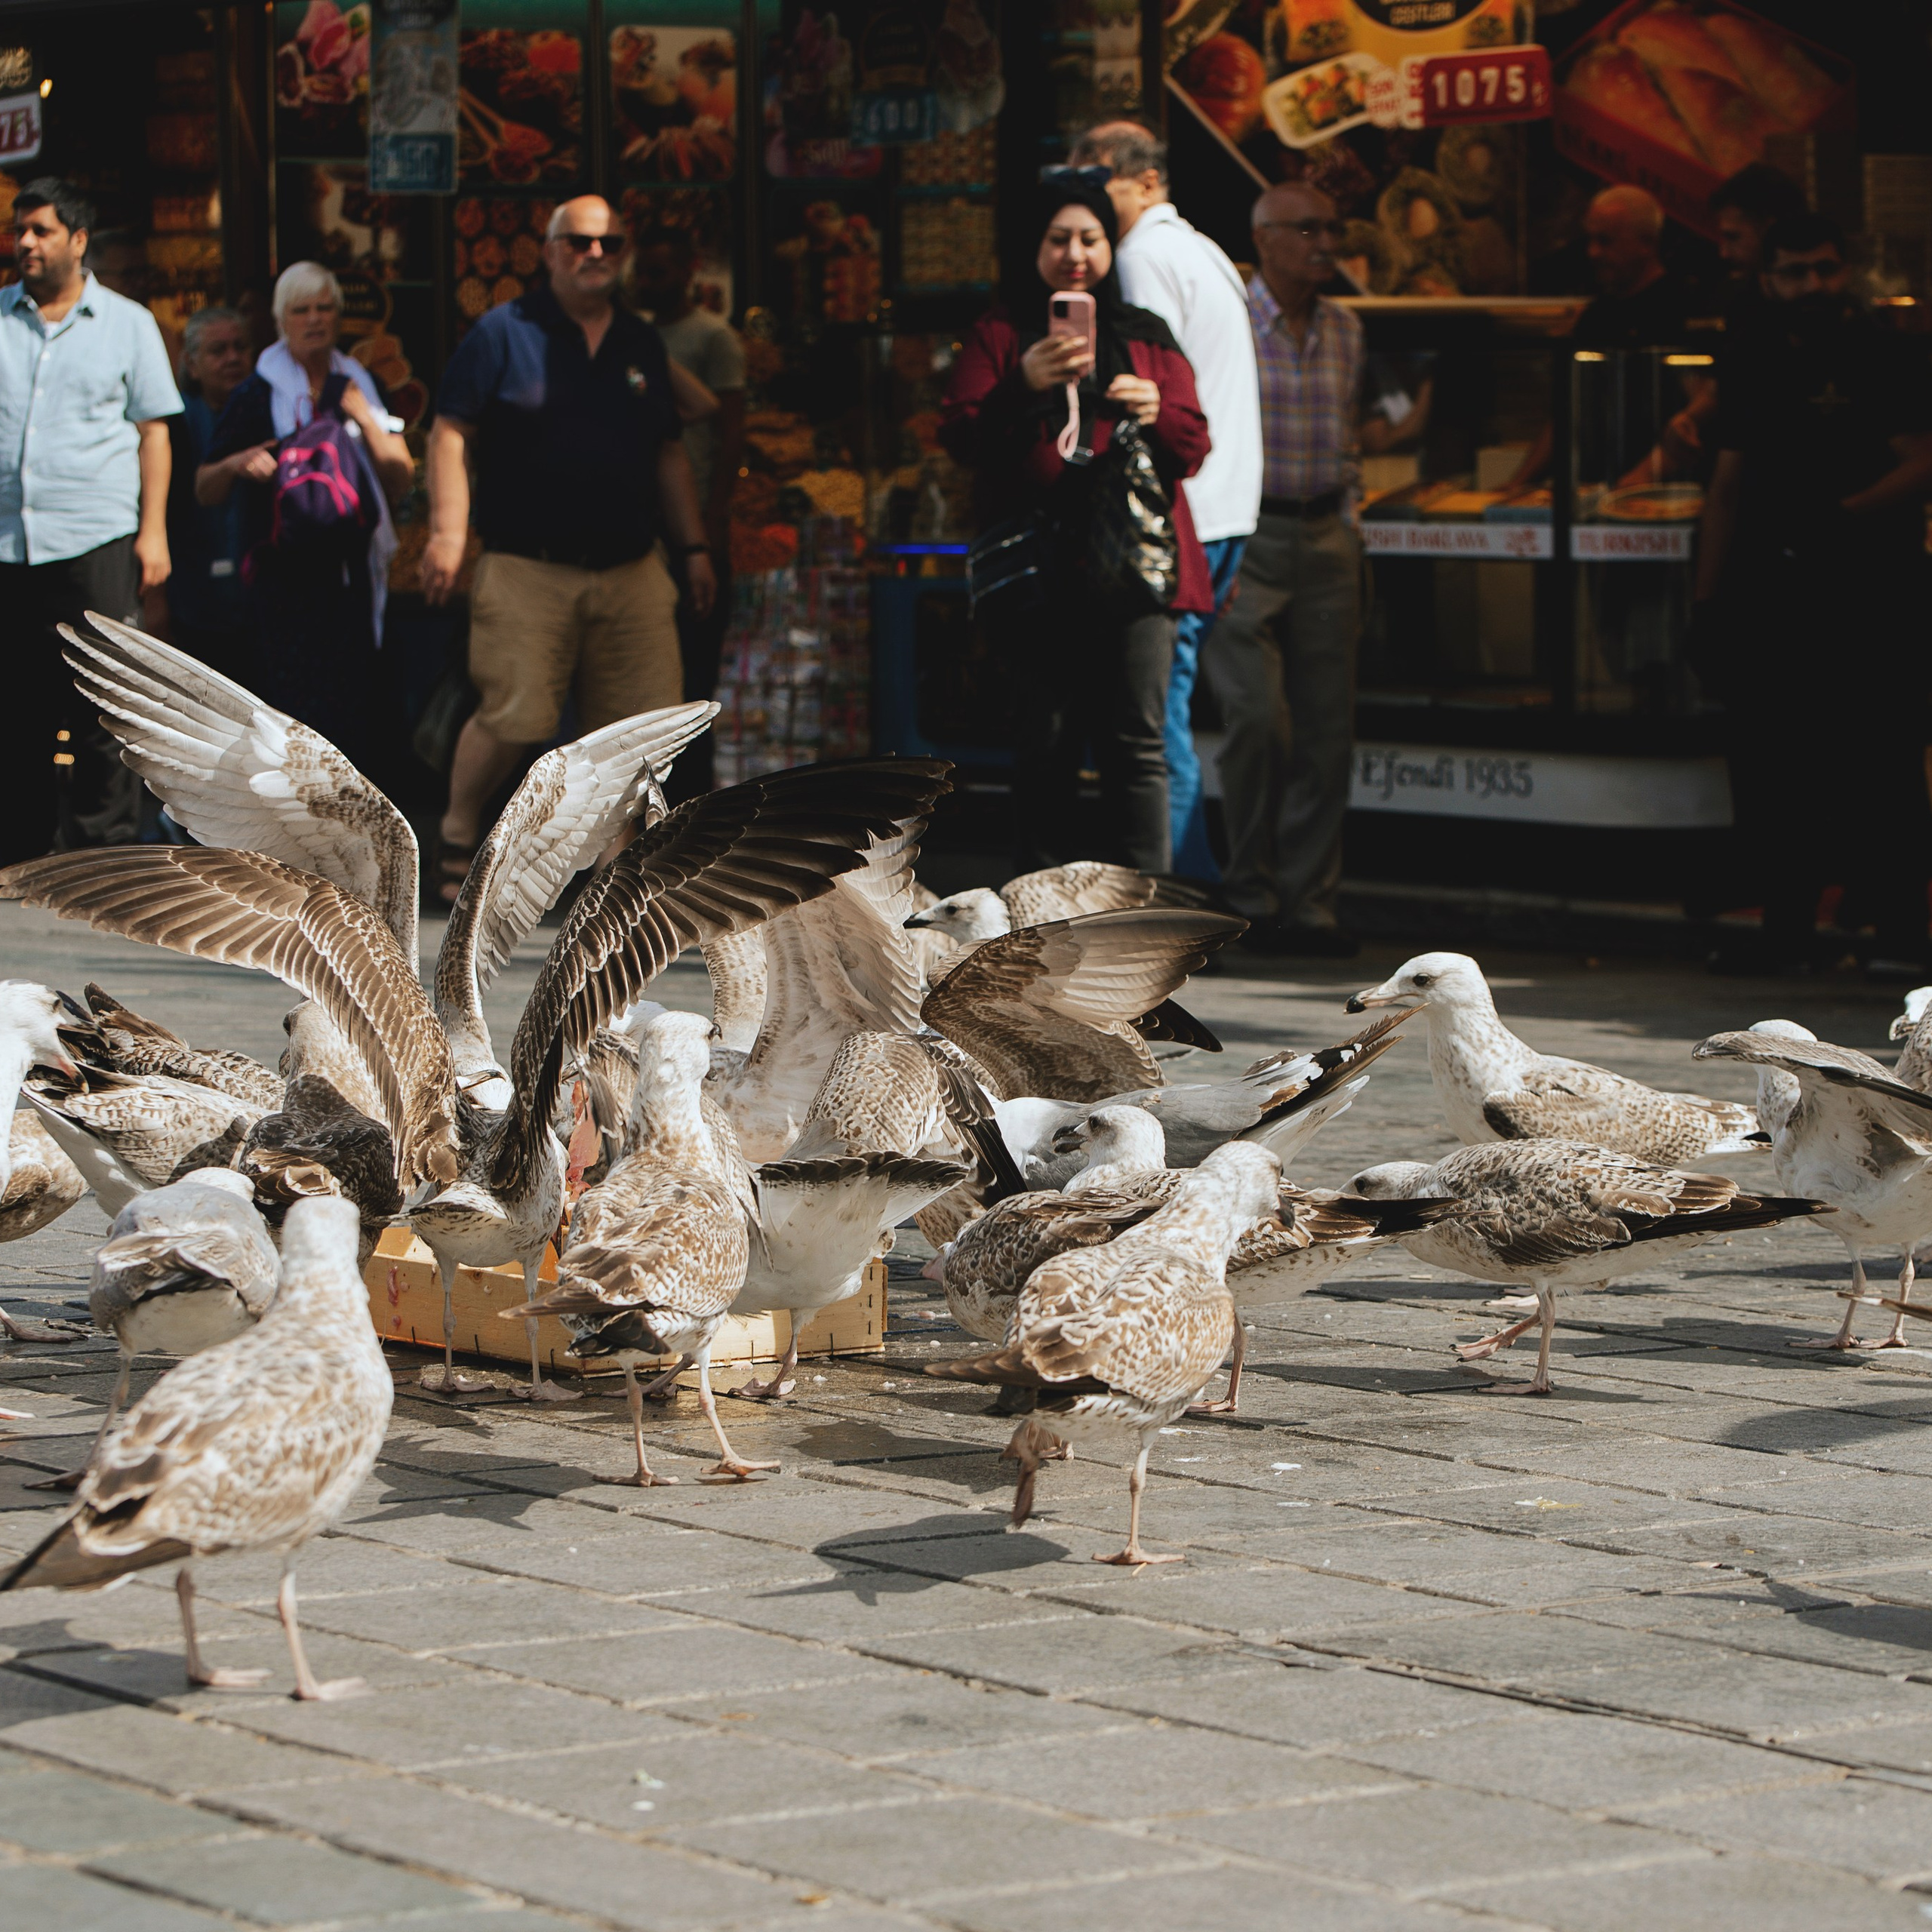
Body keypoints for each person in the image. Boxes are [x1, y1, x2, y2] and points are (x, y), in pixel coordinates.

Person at [420, 195, 714, 900]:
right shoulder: (502, 331)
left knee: (642, 730)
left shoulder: (640, 339)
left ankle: (619, 869)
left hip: (632, 563)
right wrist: (448, 533)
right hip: (528, 563)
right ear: (549, 251)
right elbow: (449, 429)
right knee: (514, 714)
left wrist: (695, 546)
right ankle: (459, 831)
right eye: (581, 243)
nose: (596, 255)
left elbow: (673, 444)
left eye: (611, 244)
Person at [940, 169, 1212, 879]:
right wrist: (1020, 384)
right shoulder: (1000, 332)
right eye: (1058, 238)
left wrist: (1158, 409)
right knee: (1045, 743)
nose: (1075, 254)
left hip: (1134, 565)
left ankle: (1145, 910)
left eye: (1090, 238)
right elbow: (960, 438)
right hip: (1038, 570)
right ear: (1034, 246)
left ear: (1108, 247)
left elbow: (1193, 449)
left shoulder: (1145, 334)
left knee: (1137, 744)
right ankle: (1041, 906)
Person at [1695, 211, 1932, 975]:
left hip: (1873, 592)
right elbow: (1725, 488)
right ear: (1768, 281)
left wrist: (1840, 518)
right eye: (1796, 273)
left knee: (1883, 760)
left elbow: (1919, 462)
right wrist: (1707, 601)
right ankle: (1786, 933)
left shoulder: (1882, 354)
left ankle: (1897, 927)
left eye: (1826, 269)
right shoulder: (1750, 360)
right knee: (1777, 766)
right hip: (1774, 593)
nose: (1814, 286)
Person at [1070, 121, 1261, 881]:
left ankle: (1180, 883)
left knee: (1153, 719)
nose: (1084, 197)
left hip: (1177, 514)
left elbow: (1156, 389)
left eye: (1098, 179)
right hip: (1226, 508)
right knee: (1164, 712)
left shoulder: (1144, 258)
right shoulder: (1203, 251)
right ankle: (1190, 875)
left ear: (1144, 182)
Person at [1199, 181, 1362, 958]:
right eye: (1308, 228)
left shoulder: (1345, 329)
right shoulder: (1231, 325)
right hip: (1251, 530)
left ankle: (1309, 904)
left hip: (1326, 529)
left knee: (1327, 728)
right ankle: (1250, 890)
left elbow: (1350, 430)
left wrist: (1352, 515)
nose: (1326, 242)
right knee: (1258, 718)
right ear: (1264, 239)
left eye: (1332, 227)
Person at [0, 177, 181, 863]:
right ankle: (20, 854)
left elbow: (153, 432)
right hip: (10, 541)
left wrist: (153, 531)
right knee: (16, 708)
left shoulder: (129, 323)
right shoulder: (0, 318)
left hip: (95, 537)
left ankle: (99, 855)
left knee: (102, 704)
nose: (24, 243)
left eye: (41, 230)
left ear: (78, 240)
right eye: (20, 230)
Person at [198, 263, 413, 784]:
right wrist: (235, 465)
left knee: (354, 711)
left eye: (325, 308)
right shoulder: (256, 393)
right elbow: (205, 487)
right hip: (283, 584)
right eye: (301, 310)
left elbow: (401, 476)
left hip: (350, 579)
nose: (315, 320)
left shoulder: (360, 383)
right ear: (280, 320)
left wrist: (363, 418)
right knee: (290, 715)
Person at [629, 222, 746, 798]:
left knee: (695, 665)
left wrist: (715, 520)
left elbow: (729, 429)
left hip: (694, 524)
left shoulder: (712, 338)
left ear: (688, 273)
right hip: (647, 526)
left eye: (660, 271)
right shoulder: (631, 335)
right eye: (643, 271)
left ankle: (693, 788)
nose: (648, 282)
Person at [159, 305, 254, 683]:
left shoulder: (269, 412)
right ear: (192, 364)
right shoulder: (173, 425)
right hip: (191, 600)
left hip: (257, 605)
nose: (232, 358)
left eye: (240, 347)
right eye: (218, 351)